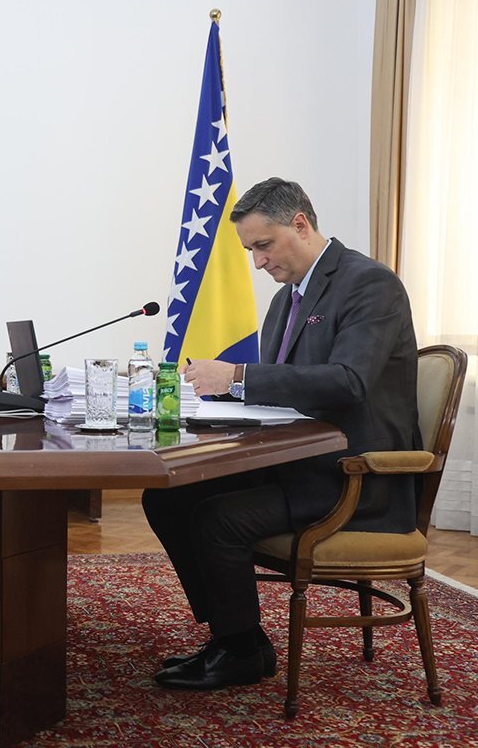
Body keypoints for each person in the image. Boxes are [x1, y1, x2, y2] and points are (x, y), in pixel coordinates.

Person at [144, 177, 419, 691]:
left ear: (301, 224)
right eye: (250, 250)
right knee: (167, 496)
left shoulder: (369, 284)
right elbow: (280, 394)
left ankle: (238, 651)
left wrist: (239, 375)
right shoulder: (285, 300)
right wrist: (207, 398)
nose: (258, 262)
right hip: (296, 465)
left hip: (352, 476)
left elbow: (349, 382)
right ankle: (240, 637)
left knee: (218, 519)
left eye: (264, 245)